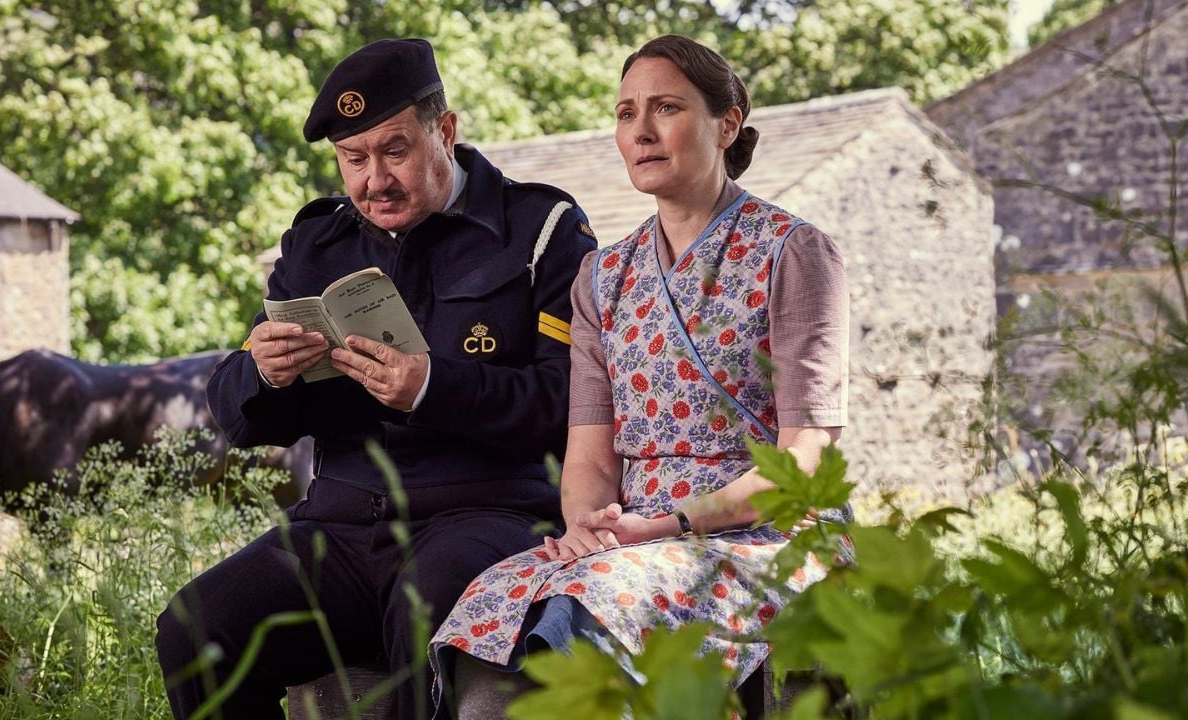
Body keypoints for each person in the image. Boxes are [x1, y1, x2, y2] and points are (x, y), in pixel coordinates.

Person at [154, 38, 596, 720]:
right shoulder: (316, 243)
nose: (373, 180)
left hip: (485, 515)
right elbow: (236, 418)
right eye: (353, 159)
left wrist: (432, 389)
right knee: (193, 630)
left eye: (394, 151)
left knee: (426, 617)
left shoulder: (541, 229)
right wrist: (263, 374)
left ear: (444, 131)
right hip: (338, 524)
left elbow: (569, 402)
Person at [430, 34, 852, 718]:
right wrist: (588, 526)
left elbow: (804, 462)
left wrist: (668, 526)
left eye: (667, 108)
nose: (641, 131)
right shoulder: (602, 276)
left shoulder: (794, 253)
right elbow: (591, 456)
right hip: (631, 539)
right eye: (626, 113)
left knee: (590, 607)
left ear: (727, 124)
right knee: (490, 614)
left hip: (765, 536)